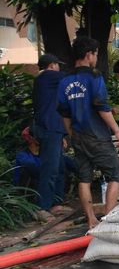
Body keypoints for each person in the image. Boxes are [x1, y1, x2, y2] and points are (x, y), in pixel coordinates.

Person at [57, 36, 119, 228]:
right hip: (97, 135)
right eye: (96, 54)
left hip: (78, 135)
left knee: (84, 178)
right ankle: (108, 218)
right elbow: (102, 107)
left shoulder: (65, 81)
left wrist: (71, 134)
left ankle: (91, 220)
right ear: (89, 55)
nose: (96, 58)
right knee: (115, 174)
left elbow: (64, 113)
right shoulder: (94, 77)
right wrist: (118, 131)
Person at [31, 53, 72, 220]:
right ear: (52, 65)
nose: (59, 68)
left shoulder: (45, 81)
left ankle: (56, 204)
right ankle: (42, 208)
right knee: (50, 168)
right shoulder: (47, 77)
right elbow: (71, 78)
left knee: (60, 167)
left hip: (54, 130)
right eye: (58, 65)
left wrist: (62, 134)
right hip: (49, 130)